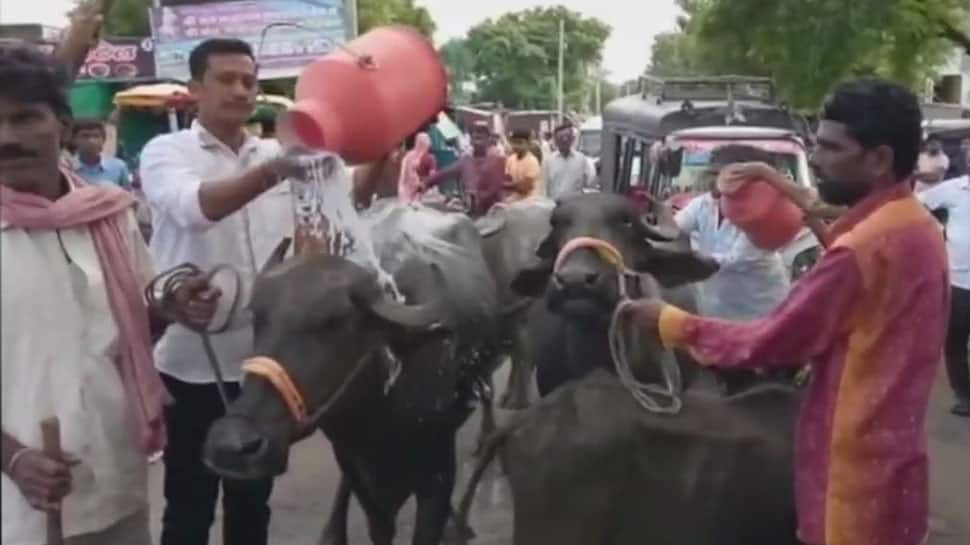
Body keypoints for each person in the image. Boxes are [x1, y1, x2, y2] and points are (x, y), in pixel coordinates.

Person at [633, 79, 948, 545]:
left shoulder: (855, 254)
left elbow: (768, 341)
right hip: (898, 466)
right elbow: (836, 228)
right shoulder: (917, 224)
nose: (816, 160)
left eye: (828, 147)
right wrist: (769, 175)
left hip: (849, 482)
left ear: (878, 159)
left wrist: (666, 321)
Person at [0, 45, 214, 545]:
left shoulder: (109, 212)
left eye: (25, 118)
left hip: (116, 477)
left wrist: (176, 305)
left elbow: (139, 318)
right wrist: (13, 458)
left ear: (64, 125)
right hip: (19, 505)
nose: (6, 138)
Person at [139, 38, 302, 545]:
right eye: (226, 79)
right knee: (188, 506)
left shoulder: (277, 152)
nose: (240, 91)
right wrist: (274, 172)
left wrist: (382, 142)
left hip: (263, 369)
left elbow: (340, 204)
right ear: (195, 89)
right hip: (191, 366)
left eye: (249, 82)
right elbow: (196, 209)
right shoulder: (166, 152)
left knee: (253, 505)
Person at [671, 144, 792, 394]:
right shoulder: (704, 204)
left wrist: (683, 262)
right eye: (714, 175)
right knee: (724, 377)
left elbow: (732, 260)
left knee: (762, 384)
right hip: (717, 305)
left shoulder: (762, 218)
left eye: (723, 177)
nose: (716, 183)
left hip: (757, 310)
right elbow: (674, 227)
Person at [918, 173, 970, 417]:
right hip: (958, 284)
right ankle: (965, 397)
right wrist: (937, 230)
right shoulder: (955, 188)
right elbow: (918, 204)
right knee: (955, 344)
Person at [422, 121, 506, 217]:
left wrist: (477, 199)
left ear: (488, 138)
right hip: (470, 209)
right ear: (470, 139)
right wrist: (426, 183)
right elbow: (445, 173)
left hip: (492, 211)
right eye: (474, 132)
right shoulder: (466, 160)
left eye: (481, 132)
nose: (477, 135)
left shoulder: (497, 159)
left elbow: (494, 188)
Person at [71, 118, 132, 189]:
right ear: (74, 140)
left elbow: (127, 196)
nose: (91, 141)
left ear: (103, 140)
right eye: (85, 136)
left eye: (96, 136)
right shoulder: (68, 168)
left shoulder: (118, 167)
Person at [542, 123, 597, 199]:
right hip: (555, 205)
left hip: (575, 205)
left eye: (567, 137)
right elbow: (543, 187)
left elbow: (590, 182)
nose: (565, 140)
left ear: (572, 139)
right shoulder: (548, 161)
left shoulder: (581, 159)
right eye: (561, 138)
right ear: (555, 140)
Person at [504, 129, 542, 201]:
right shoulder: (510, 159)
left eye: (520, 142)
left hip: (530, 201)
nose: (516, 146)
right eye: (514, 142)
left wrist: (504, 185)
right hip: (514, 199)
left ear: (528, 143)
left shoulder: (532, 161)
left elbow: (524, 188)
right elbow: (506, 178)